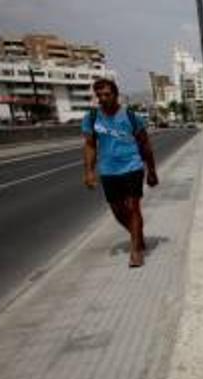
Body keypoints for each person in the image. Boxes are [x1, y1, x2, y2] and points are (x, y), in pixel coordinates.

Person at [82, 78, 158, 267]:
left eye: (107, 94)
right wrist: (89, 172)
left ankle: (136, 251)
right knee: (117, 211)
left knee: (133, 207)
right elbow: (90, 146)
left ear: (115, 95)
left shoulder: (131, 116)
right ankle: (137, 234)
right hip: (108, 171)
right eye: (99, 95)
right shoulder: (91, 117)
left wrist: (151, 170)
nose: (103, 98)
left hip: (132, 166)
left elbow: (145, 144)